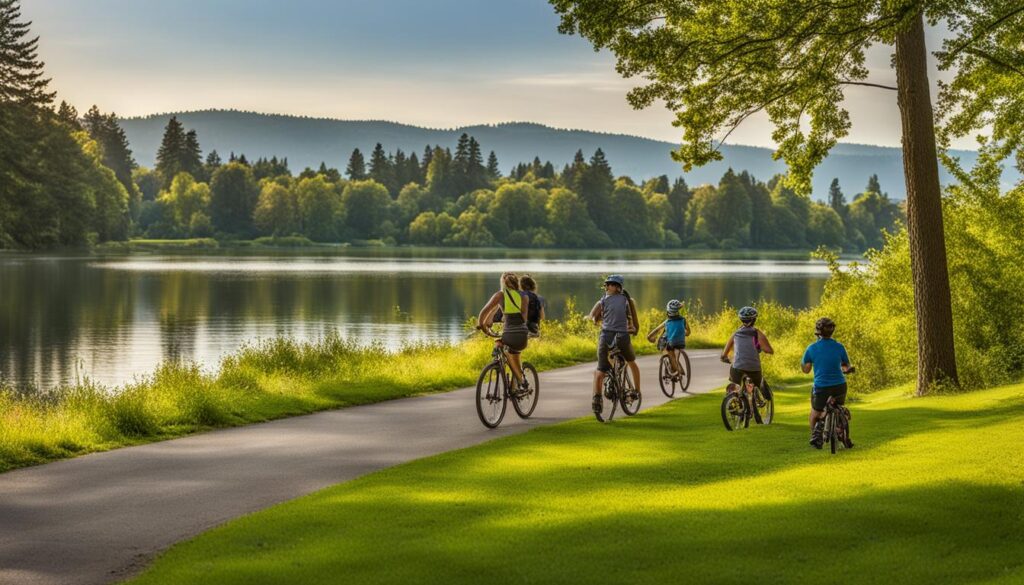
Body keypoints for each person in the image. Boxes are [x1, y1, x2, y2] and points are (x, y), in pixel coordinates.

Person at [588, 274, 640, 414]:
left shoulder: (603, 301)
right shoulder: (626, 301)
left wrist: (595, 320)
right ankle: (598, 399)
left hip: (607, 336)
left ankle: (636, 391)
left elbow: (592, 316)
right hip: (621, 336)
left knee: (603, 369)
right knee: (627, 363)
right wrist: (632, 328)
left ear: (617, 288)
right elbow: (632, 320)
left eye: (610, 284)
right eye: (606, 284)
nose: (607, 286)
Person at [802, 317, 854, 449]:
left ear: (818, 331)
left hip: (821, 387)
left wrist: (807, 363)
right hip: (840, 387)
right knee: (838, 407)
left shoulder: (811, 348)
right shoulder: (839, 347)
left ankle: (815, 436)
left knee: (815, 412)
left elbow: (806, 370)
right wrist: (847, 369)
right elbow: (845, 366)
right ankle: (842, 431)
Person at [477, 272, 531, 389]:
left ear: (503, 283)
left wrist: (482, 326)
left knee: (501, 344)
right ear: (516, 283)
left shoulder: (500, 295)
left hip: (509, 336)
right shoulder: (524, 297)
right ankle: (515, 386)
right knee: (515, 355)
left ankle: (521, 380)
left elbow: (483, 313)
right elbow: (524, 319)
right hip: (522, 337)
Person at [720, 306, 774, 392]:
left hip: (737, 369)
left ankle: (733, 398)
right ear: (754, 320)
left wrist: (725, 358)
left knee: (735, 385)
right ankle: (756, 398)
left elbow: (724, 354)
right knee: (757, 389)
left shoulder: (736, 333)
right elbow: (769, 350)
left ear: (741, 319)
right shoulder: (757, 333)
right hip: (754, 368)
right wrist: (759, 348)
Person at [646, 299, 690, 380]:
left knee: (669, 351)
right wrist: (683, 333)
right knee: (675, 355)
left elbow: (656, 330)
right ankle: (676, 370)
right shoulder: (683, 320)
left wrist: (649, 337)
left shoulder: (667, 322)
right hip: (681, 343)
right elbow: (688, 332)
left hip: (672, 343)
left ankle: (677, 372)